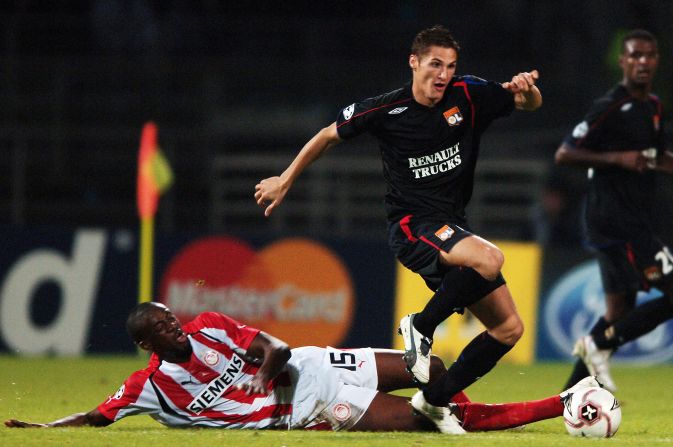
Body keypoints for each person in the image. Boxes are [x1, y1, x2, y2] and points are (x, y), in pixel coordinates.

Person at [254, 24, 542, 414]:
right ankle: (421, 326)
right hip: (412, 227)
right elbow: (326, 135)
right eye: (435, 64)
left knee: (509, 329)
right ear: (414, 62)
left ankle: (435, 402)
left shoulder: (468, 95)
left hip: (452, 227)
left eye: (451, 66)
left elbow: (528, 104)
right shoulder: (387, 108)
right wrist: (285, 181)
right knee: (489, 259)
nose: (443, 75)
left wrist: (529, 90)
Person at [5, 302, 597, 434]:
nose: (172, 325)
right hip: (307, 407)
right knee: (432, 422)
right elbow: (98, 416)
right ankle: (562, 403)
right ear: (146, 344)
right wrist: (45, 433)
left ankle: (565, 403)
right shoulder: (149, 387)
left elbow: (275, 348)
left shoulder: (210, 324)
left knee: (434, 366)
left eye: (169, 316)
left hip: (314, 364)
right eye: (158, 328)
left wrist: (262, 366)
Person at [555, 29, 673, 393]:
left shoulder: (652, 106)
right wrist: (616, 159)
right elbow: (565, 153)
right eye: (635, 56)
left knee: (619, 311)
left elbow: (653, 158)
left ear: (656, 61)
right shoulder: (609, 105)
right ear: (622, 61)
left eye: (649, 56)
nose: (642, 62)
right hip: (614, 221)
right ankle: (598, 344)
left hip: (634, 220)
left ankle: (565, 398)